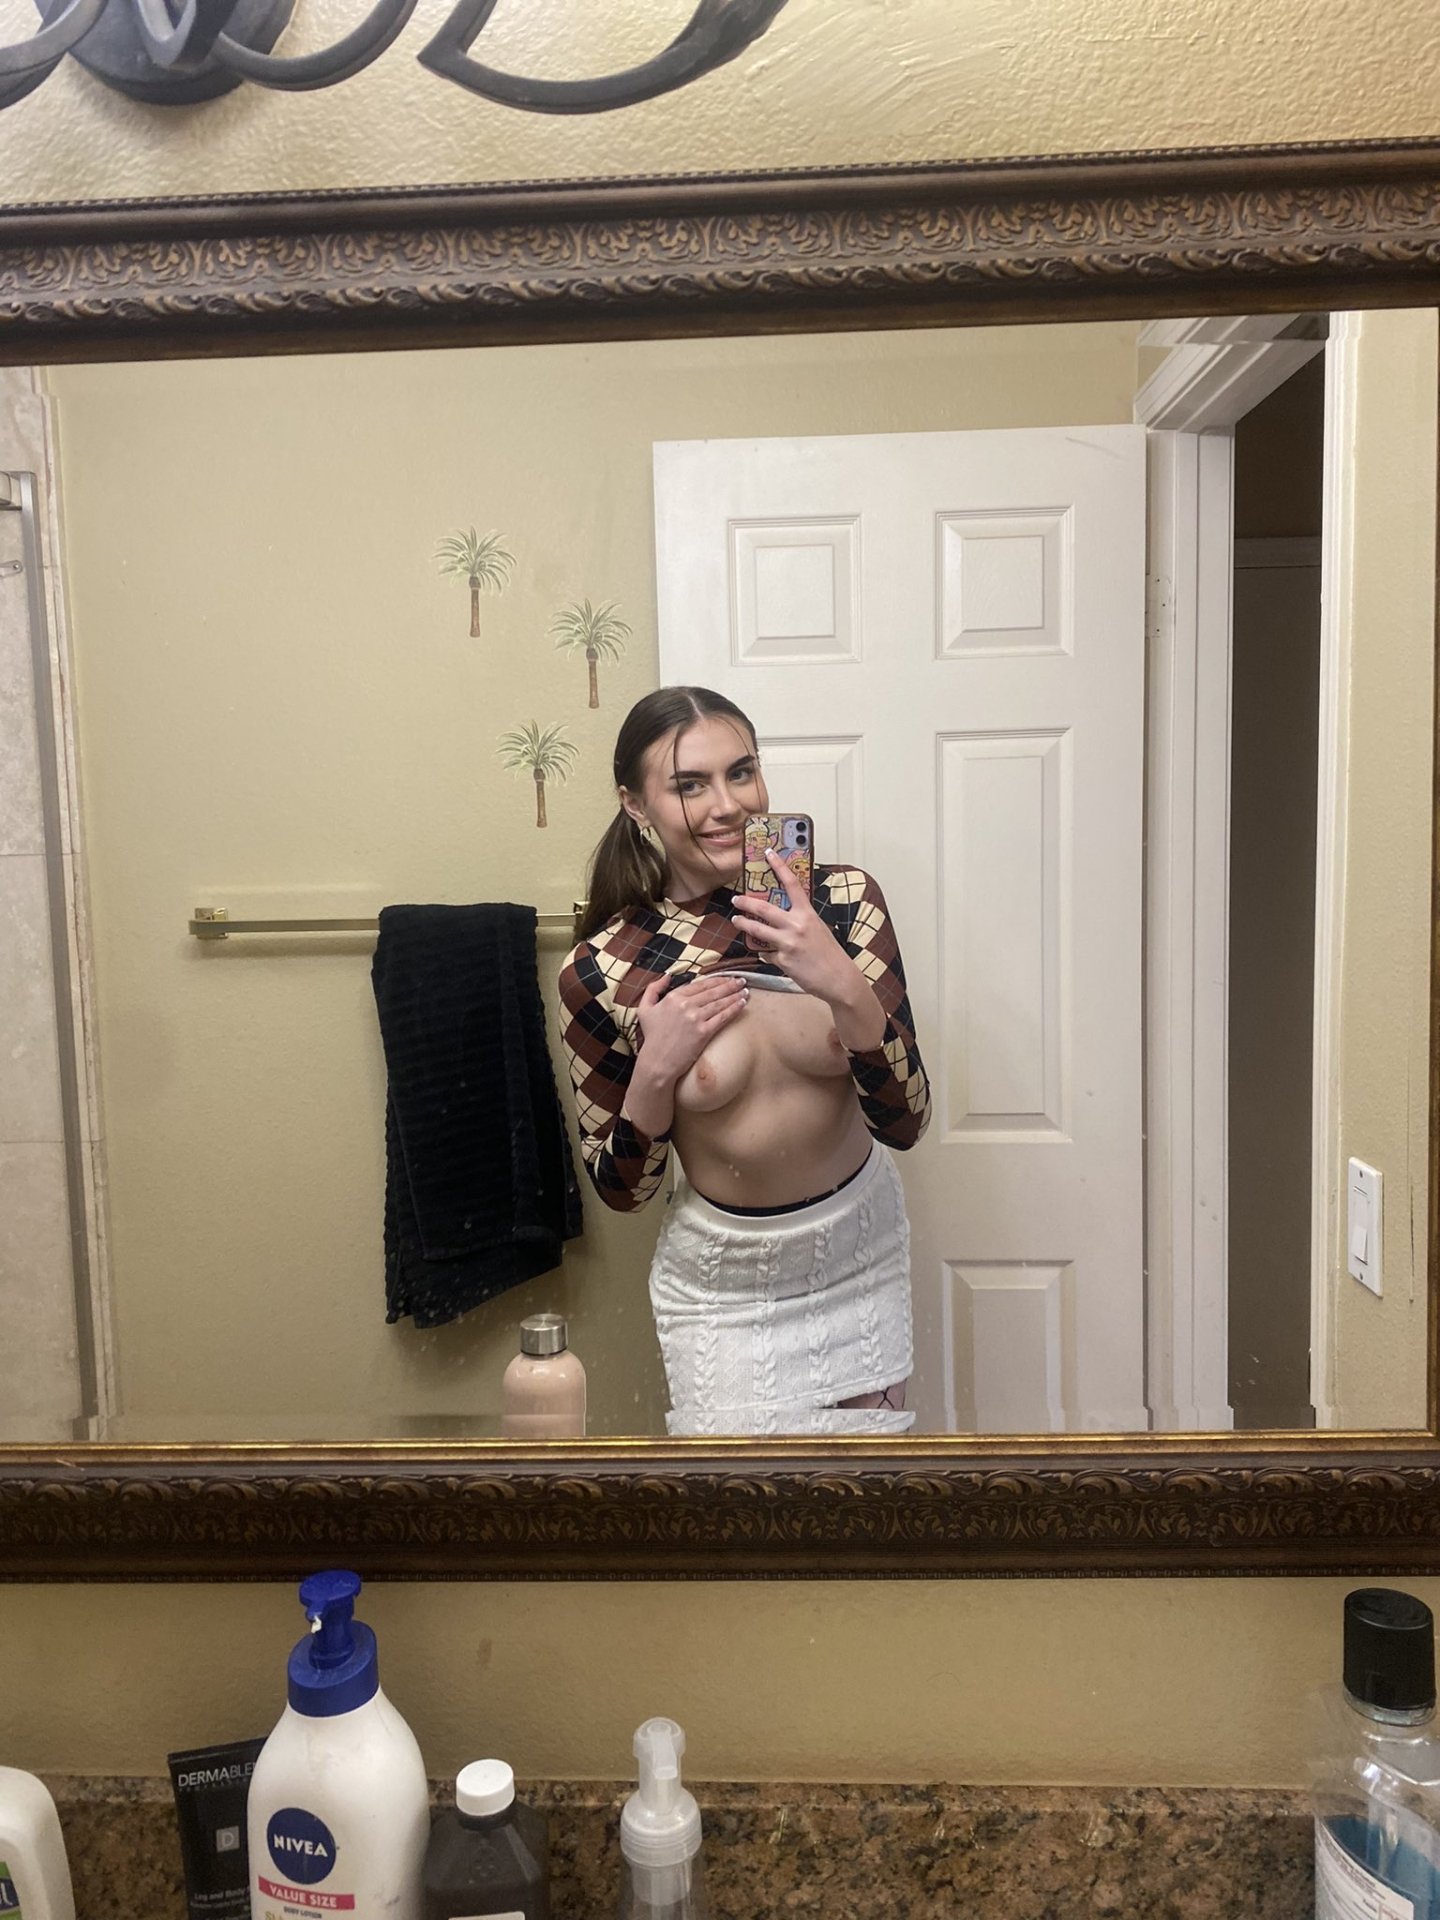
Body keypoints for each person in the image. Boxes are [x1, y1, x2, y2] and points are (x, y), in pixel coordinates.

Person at [557, 686, 930, 1435]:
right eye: (690, 784)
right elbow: (625, 1193)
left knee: (865, 1495)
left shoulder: (843, 904)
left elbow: (906, 1122)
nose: (728, 805)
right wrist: (656, 1073)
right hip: (723, 1284)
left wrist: (840, 983)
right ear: (635, 805)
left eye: (741, 771)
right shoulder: (603, 968)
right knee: (738, 1501)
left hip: (860, 1251)